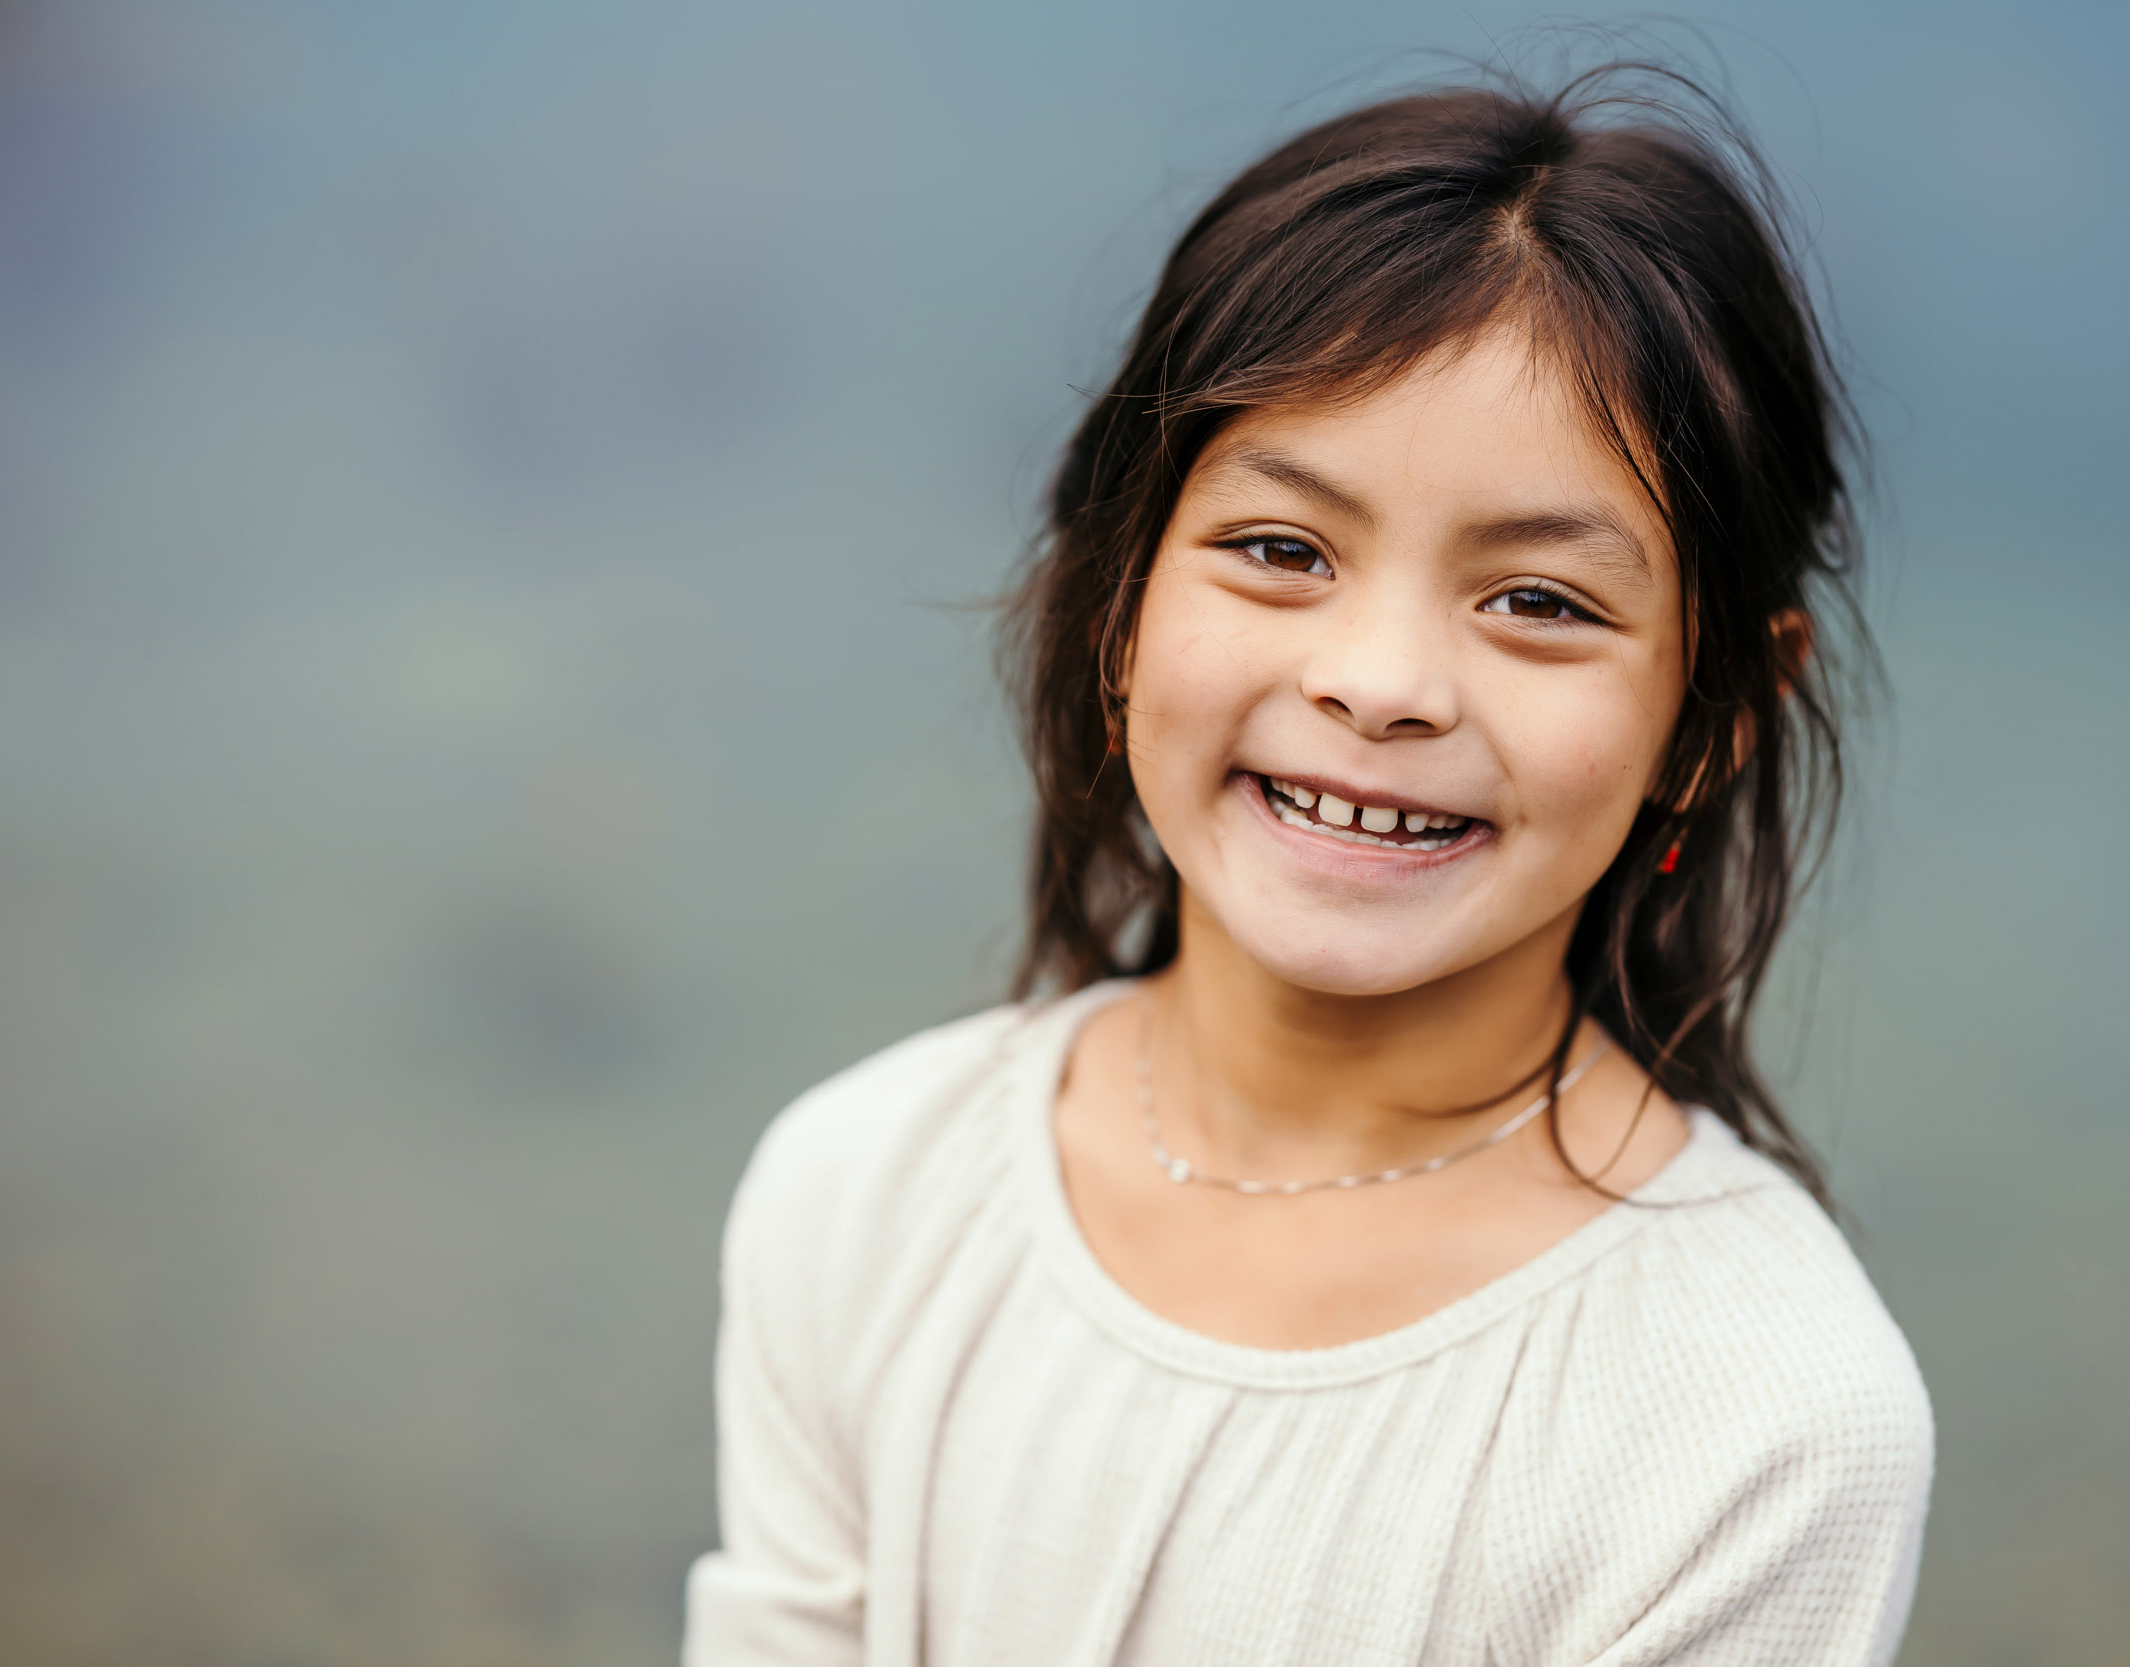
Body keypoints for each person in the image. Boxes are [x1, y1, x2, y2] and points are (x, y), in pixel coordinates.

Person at [685, 64, 1933, 1667]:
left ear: (1713, 716)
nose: (1384, 680)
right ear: (1121, 598)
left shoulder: (1758, 1420)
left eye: (1541, 600)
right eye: (1284, 551)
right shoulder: (866, 1191)